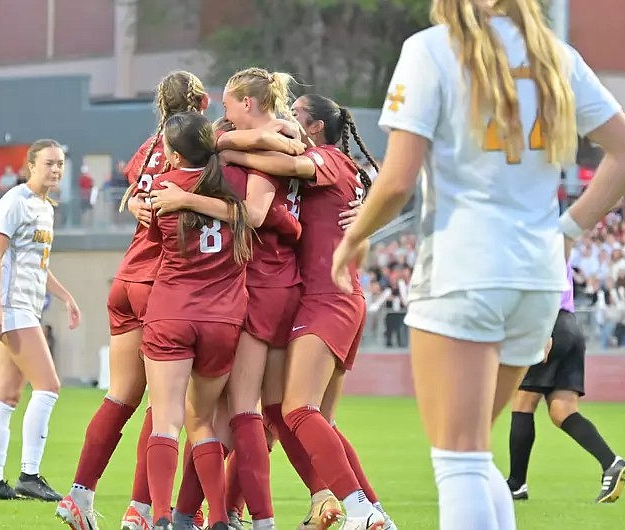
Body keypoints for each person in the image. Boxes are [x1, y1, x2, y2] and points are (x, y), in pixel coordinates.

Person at [330, 1, 625, 528]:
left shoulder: (432, 49)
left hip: (463, 269)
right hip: (538, 279)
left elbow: (396, 179)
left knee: (458, 460)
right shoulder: (556, 55)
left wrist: (355, 237)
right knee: (475, 456)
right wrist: (566, 232)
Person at [221, 93, 391, 530]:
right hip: (332, 297)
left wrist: (224, 145)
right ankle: (371, 513)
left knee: (293, 411)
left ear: (315, 127)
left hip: (325, 301)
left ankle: (358, 509)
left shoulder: (327, 158)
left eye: (295, 115)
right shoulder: (336, 168)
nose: (285, 120)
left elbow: (285, 166)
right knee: (307, 422)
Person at [57, 70, 209, 530]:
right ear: (201, 102)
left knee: (121, 394)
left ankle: (79, 496)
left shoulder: (148, 149)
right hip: (163, 283)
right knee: (166, 407)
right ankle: (141, 510)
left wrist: (132, 204)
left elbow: (133, 191)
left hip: (126, 278)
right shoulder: (204, 145)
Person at [142, 111, 251, 530]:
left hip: (172, 311)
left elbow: (154, 241)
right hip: (222, 320)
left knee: (167, 418)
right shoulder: (232, 189)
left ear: (171, 152)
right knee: (202, 420)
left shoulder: (164, 189)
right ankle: (220, 518)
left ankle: (162, 516)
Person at [0, 139, 81, 502]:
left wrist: (66, 296)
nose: (56, 170)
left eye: (60, 164)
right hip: (11, 307)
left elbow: (39, 265)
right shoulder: (14, 201)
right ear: (31, 166)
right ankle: (29, 475)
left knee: (7, 395)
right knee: (49, 386)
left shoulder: (45, 207)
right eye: (49, 163)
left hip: (25, 306)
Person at [507, 264, 625, 503]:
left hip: (549, 324)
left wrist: (542, 332)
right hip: (571, 327)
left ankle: (516, 483)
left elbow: (546, 286)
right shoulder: (558, 244)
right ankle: (611, 463)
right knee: (562, 411)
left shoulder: (541, 244)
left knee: (523, 401)